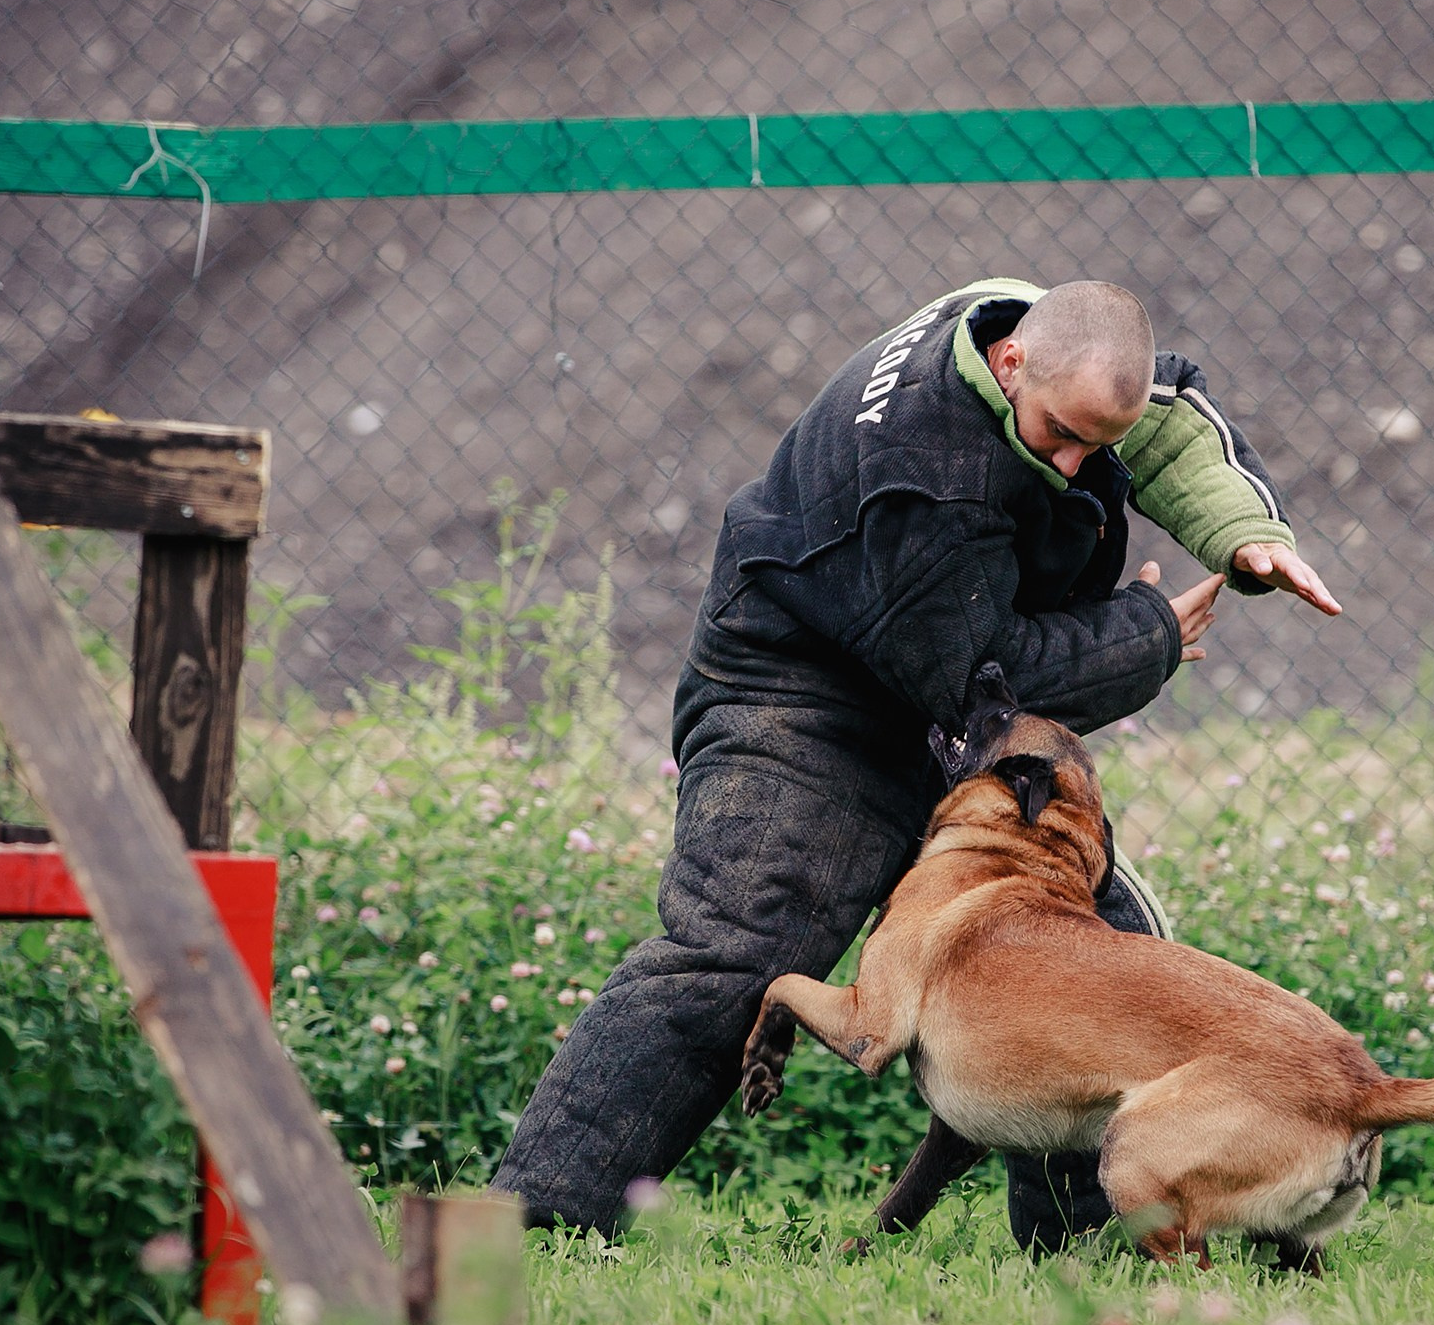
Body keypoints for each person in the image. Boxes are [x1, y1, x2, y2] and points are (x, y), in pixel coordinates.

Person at [492, 276, 1340, 1247]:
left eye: (1095, 447)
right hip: (804, 695)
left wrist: (1247, 535)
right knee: (738, 946)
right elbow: (985, 677)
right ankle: (537, 1224)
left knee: (1093, 958)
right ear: (1011, 364)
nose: (1074, 465)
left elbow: (1166, 417)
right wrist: (1143, 636)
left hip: (951, 697)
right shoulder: (923, 477)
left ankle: (1077, 1249)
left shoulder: (1020, 323)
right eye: (1061, 436)